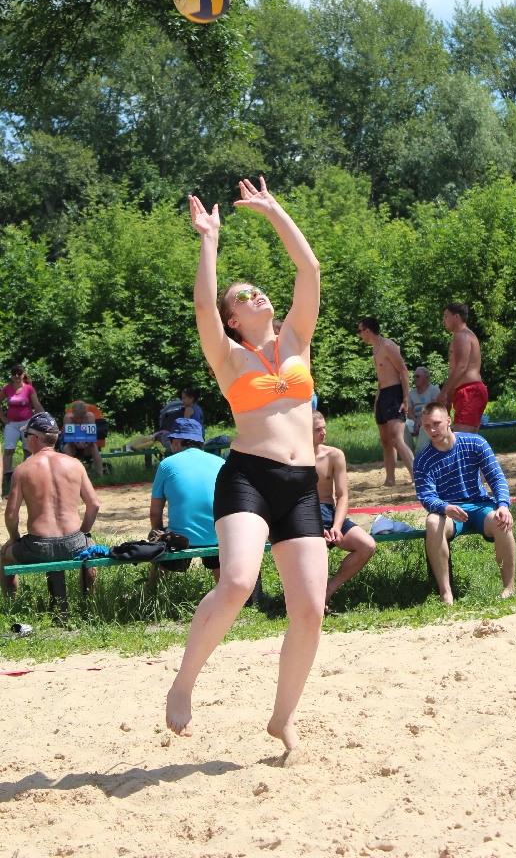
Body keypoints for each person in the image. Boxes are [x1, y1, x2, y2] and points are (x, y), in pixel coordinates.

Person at [166, 176, 325, 755]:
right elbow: (202, 305)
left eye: (258, 290)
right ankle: (183, 685)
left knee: (310, 610)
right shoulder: (228, 356)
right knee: (236, 581)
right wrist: (208, 239)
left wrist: (275, 211)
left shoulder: (296, 340)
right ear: (232, 319)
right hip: (248, 478)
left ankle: (282, 718)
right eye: (244, 296)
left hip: (301, 485)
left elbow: (309, 269)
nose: (256, 295)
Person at [415, 402, 516, 603]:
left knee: (501, 520)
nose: (432, 430)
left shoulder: (475, 443)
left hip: (480, 506)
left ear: (448, 421)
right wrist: (445, 507)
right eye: (427, 426)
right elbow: (426, 497)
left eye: (436, 423)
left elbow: (496, 478)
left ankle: (509, 588)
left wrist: (503, 505)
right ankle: (446, 593)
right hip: (448, 511)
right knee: (432, 522)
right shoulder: (422, 460)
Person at [0, 412, 100, 596]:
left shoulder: (22, 470)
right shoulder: (75, 464)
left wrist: (14, 538)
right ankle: (89, 600)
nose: (25, 440)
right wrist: (83, 534)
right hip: (73, 542)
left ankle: (11, 603)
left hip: (37, 546)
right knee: (90, 548)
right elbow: (94, 504)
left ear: (34, 439)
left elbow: (11, 515)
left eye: (26, 435)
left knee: (4, 557)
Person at [148, 418, 224, 585]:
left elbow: (155, 512)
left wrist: (157, 535)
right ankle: (226, 593)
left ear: (177, 441)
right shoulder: (221, 463)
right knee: (221, 567)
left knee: (164, 550)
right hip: (219, 537)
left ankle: (152, 592)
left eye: (170, 441)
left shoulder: (166, 465)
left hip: (180, 539)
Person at [312, 410, 376, 608]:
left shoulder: (334, 455)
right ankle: (313, 600)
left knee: (367, 545)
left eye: (324, 428)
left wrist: (337, 526)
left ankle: (329, 589)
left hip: (329, 512)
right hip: (306, 512)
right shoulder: (294, 458)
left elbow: (343, 496)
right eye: (317, 430)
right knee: (316, 550)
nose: (323, 433)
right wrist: (316, 527)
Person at [357, 316, 414, 487]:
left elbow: (403, 371)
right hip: (383, 394)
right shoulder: (375, 349)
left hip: (395, 393)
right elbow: (382, 378)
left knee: (396, 439)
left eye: (360, 331)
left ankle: (417, 477)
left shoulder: (387, 345)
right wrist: (377, 400)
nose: (359, 335)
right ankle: (390, 479)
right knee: (386, 441)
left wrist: (406, 399)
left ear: (367, 331)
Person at [437, 303, 488, 433]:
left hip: (470, 391)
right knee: (465, 439)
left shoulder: (462, 335)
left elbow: (461, 367)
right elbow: (456, 370)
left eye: (446, 316)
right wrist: (449, 399)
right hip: (465, 391)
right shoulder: (460, 336)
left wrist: (443, 393)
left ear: (456, 317)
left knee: (462, 439)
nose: (443, 321)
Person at [1, 365, 42, 494]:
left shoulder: (29, 389)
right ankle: (5, 478)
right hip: (11, 424)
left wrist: (44, 417)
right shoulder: (7, 388)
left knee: (27, 450)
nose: (17, 376)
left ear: (24, 374)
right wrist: (3, 418)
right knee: (8, 450)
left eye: (19, 373)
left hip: (27, 423)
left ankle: (26, 477)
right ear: (12, 375)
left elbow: (36, 404)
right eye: (14, 373)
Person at [62, 400, 104, 476]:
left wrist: (86, 443)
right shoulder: (68, 418)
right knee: (69, 448)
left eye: (81, 417)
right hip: (72, 446)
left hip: (86, 447)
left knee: (94, 447)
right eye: (76, 418)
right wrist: (76, 443)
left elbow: (92, 438)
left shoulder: (90, 417)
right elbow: (68, 440)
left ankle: (100, 475)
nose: (79, 420)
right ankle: (69, 476)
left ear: (86, 413)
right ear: (72, 413)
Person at [406, 367, 441, 455]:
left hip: (430, 420)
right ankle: (408, 453)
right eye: (414, 376)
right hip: (415, 420)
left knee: (424, 427)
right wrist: (416, 421)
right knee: (403, 426)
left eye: (418, 376)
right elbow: (409, 412)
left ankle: (419, 453)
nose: (415, 378)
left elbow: (434, 410)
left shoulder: (434, 390)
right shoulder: (411, 393)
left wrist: (422, 422)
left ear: (426, 378)